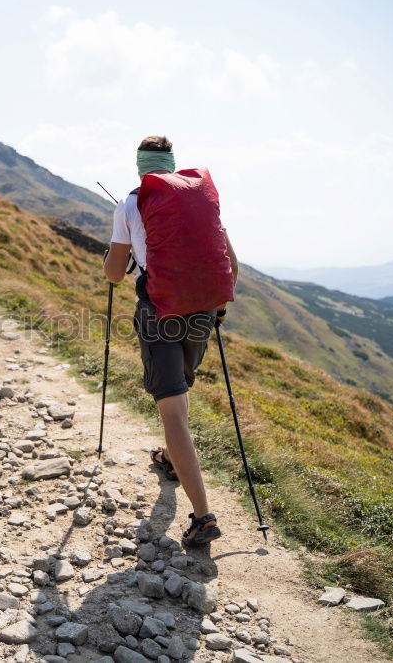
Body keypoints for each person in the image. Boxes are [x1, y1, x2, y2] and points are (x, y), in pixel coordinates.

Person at [103, 135, 238, 547]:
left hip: (159, 313)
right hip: (201, 314)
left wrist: (124, 256)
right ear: (172, 164)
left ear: (140, 168)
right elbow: (232, 264)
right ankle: (172, 463)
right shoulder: (197, 199)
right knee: (179, 393)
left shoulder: (129, 204)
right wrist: (216, 309)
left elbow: (112, 274)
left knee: (173, 411)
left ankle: (203, 516)